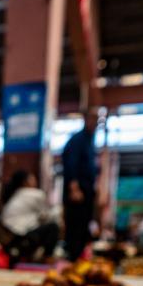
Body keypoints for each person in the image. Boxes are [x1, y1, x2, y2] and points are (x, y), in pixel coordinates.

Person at [61, 108, 100, 261]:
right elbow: (70, 164)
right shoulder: (77, 140)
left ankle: (78, 257)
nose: (95, 122)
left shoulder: (91, 141)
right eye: (92, 118)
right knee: (75, 224)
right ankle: (72, 257)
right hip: (78, 190)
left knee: (83, 225)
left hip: (87, 190)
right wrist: (74, 187)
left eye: (97, 119)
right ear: (85, 119)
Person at [0, 169, 59, 265]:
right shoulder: (34, 194)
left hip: (9, 239)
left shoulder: (15, 194)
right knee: (53, 227)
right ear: (25, 182)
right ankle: (48, 258)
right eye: (32, 178)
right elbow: (47, 216)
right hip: (20, 237)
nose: (35, 180)